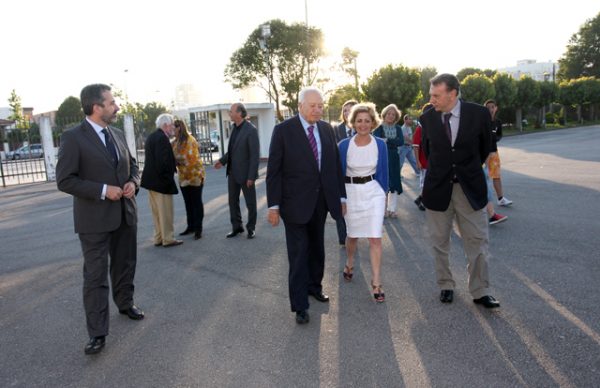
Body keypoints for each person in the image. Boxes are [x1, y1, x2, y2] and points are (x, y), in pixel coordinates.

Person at [56, 83, 144, 355]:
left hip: (125, 215)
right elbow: (65, 180)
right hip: (93, 221)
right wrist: (104, 191)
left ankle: (125, 303)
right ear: (97, 107)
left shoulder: (116, 133)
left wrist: (132, 183)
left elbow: (134, 166)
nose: (116, 106)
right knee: (95, 277)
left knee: (125, 264)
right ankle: (97, 332)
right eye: (111, 102)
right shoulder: (73, 138)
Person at [266, 87, 346, 324]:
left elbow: (334, 166)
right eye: (312, 105)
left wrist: (341, 197)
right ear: (300, 105)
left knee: (317, 249)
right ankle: (300, 305)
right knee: (299, 253)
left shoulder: (326, 129)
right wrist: (273, 206)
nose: (317, 109)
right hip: (294, 205)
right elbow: (274, 171)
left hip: (320, 203)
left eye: (320, 105)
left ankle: (314, 287)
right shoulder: (283, 131)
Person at [420, 73, 500, 308]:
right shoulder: (427, 118)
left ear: (452, 93)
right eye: (430, 95)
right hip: (437, 189)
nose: (431, 99)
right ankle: (445, 284)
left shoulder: (479, 114)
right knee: (439, 241)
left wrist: (468, 170)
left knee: (477, 240)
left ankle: (480, 290)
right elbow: (427, 151)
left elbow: (486, 148)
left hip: (470, 189)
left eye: (436, 95)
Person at [338, 103, 389, 302]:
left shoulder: (380, 144)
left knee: (375, 237)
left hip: (373, 191)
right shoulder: (343, 145)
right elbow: (337, 174)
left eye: (367, 121)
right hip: (350, 192)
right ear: (353, 122)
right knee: (352, 236)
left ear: (373, 122)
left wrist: (383, 197)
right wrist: (341, 198)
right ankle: (350, 262)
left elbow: (383, 173)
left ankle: (377, 282)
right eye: (359, 121)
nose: (363, 124)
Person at [214, 103, 260, 239]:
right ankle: (237, 227)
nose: (229, 113)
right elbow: (232, 151)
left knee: (250, 203)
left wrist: (251, 176)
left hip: (246, 175)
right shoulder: (234, 128)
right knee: (232, 201)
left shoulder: (251, 130)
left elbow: (254, 155)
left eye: (231, 111)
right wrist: (222, 161)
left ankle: (251, 228)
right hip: (233, 173)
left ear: (239, 113)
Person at [141, 113, 182, 247]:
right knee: (165, 213)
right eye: (171, 125)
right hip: (161, 183)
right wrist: (168, 178)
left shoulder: (152, 137)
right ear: (165, 125)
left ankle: (158, 237)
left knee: (157, 213)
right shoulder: (162, 139)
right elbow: (162, 163)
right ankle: (168, 238)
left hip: (151, 182)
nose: (173, 128)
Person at [173, 119, 206, 240]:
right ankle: (190, 226)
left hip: (195, 176)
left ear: (179, 128)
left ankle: (198, 229)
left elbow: (191, 159)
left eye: (174, 128)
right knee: (188, 203)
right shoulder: (175, 142)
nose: (172, 130)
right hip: (183, 177)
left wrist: (177, 162)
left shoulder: (190, 140)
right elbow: (172, 156)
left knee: (196, 202)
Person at [332, 99, 358, 245]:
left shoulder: (362, 128)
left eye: (351, 109)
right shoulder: (336, 129)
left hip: (357, 176)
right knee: (340, 204)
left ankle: (354, 233)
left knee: (354, 207)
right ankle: (343, 237)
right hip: (340, 173)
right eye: (345, 110)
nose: (348, 112)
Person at [373, 104, 403, 218]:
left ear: (396, 117)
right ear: (384, 115)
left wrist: (388, 140)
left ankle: (392, 209)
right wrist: (392, 140)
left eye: (393, 114)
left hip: (394, 158)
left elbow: (401, 142)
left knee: (394, 183)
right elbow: (377, 140)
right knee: (383, 183)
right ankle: (383, 210)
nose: (391, 116)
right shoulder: (378, 127)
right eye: (389, 114)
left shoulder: (398, 128)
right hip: (382, 157)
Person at [484, 99, 513, 207]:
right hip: (484, 155)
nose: (490, 109)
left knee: (496, 176)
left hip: (494, 153)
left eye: (492, 107)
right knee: (483, 177)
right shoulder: (482, 121)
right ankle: (482, 201)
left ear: (496, 108)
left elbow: (499, 135)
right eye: (488, 107)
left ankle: (501, 199)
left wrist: (495, 138)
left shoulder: (498, 122)